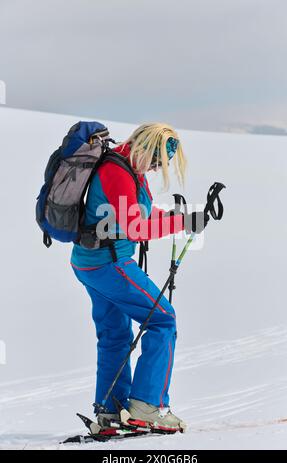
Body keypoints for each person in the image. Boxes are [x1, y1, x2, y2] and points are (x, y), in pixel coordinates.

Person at [70, 123, 200, 431]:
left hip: (92, 263)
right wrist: (178, 224)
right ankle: (147, 406)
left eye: (160, 165)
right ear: (146, 148)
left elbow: (142, 214)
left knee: (115, 336)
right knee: (163, 319)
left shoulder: (130, 168)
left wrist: (181, 219)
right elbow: (136, 229)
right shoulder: (117, 171)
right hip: (109, 264)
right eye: (157, 161)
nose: (156, 169)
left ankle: (110, 412)